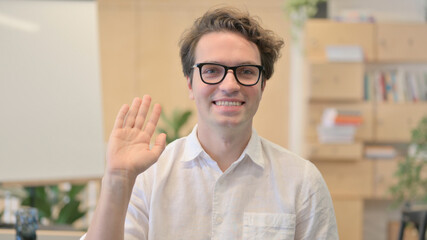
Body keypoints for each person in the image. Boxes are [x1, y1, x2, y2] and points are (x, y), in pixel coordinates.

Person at [83, 7, 338, 240]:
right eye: (212, 71)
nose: (229, 85)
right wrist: (118, 179)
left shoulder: (302, 181)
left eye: (246, 71)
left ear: (262, 85)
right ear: (190, 84)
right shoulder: (149, 176)